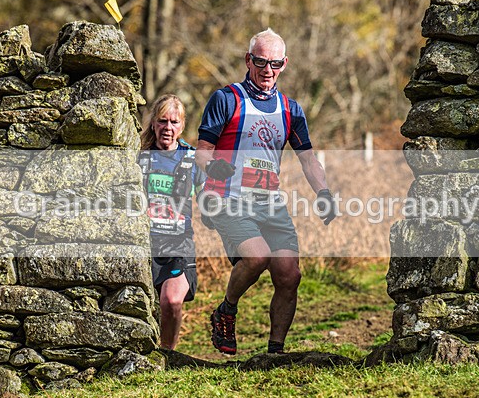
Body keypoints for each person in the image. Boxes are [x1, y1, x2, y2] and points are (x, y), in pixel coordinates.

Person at [195, 28, 337, 355]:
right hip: (227, 198)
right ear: (248, 60)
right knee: (257, 256)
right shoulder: (226, 99)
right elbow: (202, 151)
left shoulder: (291, 110)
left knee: (289, 275)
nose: (267, 70)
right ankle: (226, 310)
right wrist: (212, 165)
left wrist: (324, 193)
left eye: (274, 64)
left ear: (284, 64)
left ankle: (275, 353)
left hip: (269, 202)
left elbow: (309, 160)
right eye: (260, 62)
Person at [139, 94, 205, 351]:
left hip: (179, 245)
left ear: (182, 125)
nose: (168, 128)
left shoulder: (191, 158)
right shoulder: (140, 156)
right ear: (154, 123)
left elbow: (209, 196)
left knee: (171, 300)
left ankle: (167, 355)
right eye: (163, 121)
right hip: (145, 245)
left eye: (174, 122)